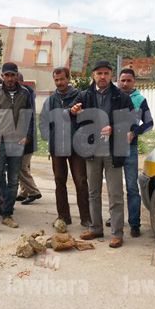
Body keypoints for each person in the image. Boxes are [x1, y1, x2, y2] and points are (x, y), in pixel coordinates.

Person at [70, 60, 134, 248]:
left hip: (113, 151)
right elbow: (71, 115)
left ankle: (117, 233)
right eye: (99, 74)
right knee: (93, 192)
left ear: (111, 75)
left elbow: (131, 120)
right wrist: (73, 111)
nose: (103, 77)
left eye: (106, 73)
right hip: (92, 151)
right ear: (93, 76)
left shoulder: (121, 96)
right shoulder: (85, 95)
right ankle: (95, 227)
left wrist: (115, 128)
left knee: (115, 194)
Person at [0, 62, 34, 235]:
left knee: (13, 182)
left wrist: (28, 136)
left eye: (13, 75)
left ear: (17, 75)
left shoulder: (25, 93)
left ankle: (7, 215)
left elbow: (30, 117)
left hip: (16, 143)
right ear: (2, 76)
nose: (10, 78)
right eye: (7, 75)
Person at [39, 67, 91, 227]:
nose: (59, 82)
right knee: (59, 181)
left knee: (81, 181)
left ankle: (86, 218)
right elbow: (43, 122)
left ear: (68, 78)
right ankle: (63, 217)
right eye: (56, 80)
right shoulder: (50, 100)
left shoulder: (80, 96)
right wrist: (50, 138)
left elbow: (89, 118)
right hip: (57, 148)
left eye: (62, 79)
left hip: (77, 147)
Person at [117, 68, 153, 237]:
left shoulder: (140, 99)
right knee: (114, 187)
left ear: (134, 82)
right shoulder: (112, 96)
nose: (125, 83)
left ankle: (134, 224)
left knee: (132, 187)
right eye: (122, 80)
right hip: (112, 147)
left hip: (130, 148)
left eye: (128, 80)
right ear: (118, 81)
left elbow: (149, 123)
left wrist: (134, 133)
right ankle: (115, 219)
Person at [15, 72, 41, 205]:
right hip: (22, 138)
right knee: (24, 166)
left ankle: (33, 191)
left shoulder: (26, 95)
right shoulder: (26, 94)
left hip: (26, 138)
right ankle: (24, 191)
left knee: (20, 167)